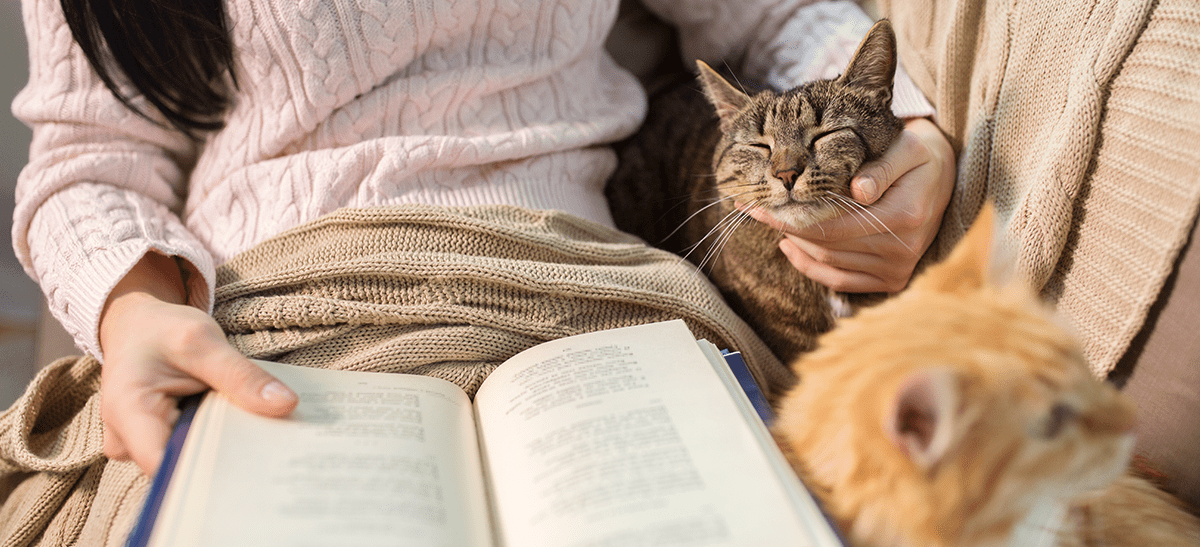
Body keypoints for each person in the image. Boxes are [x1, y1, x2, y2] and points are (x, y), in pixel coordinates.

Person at [12, 0, 955, 477]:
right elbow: (91, 158)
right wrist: (134, 317)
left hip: (596, 290)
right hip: (273, 311)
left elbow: (779, 18)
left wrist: (899, 147)